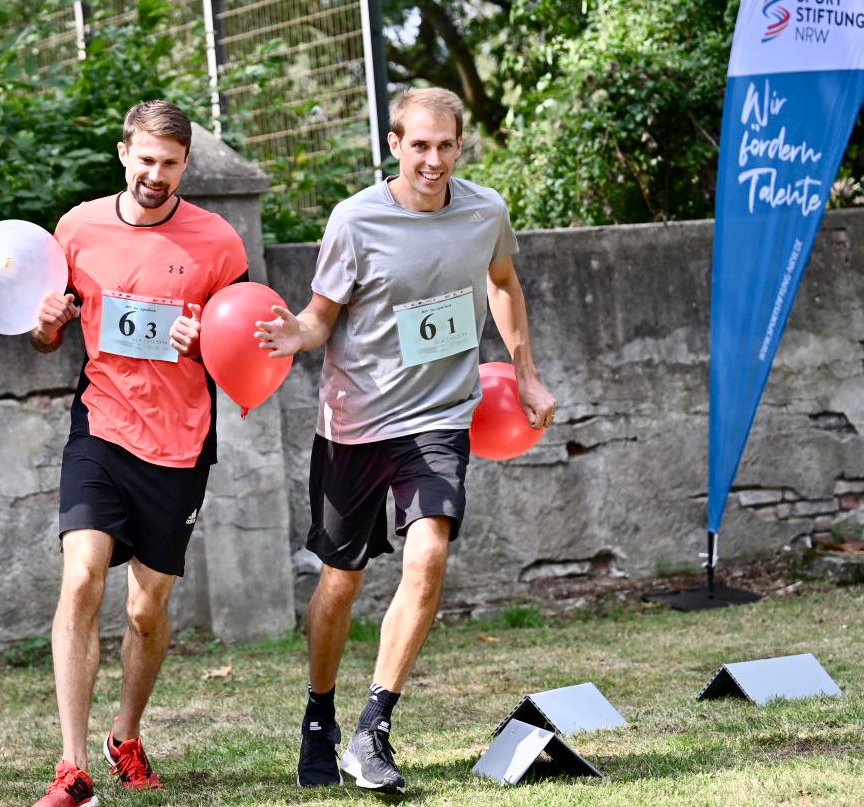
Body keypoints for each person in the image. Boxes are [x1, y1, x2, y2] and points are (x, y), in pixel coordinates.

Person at [257, 87, 557, 794]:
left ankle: (374, 726)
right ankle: (320, 715)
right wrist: (289, 335)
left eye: (444, 146)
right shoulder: (355, 220)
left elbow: (504, 281)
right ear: (394, 145)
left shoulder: (485, 211)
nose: (432, 159)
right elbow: (320, 317)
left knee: (430, 551)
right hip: (355, 424)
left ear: (460, 146)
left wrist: (527, 373)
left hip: (440, 416)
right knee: (340, 582)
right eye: (418, 145)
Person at [28, 100, 249, 807]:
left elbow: (240, 346)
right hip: (100, 425)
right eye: (145, 159)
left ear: (186, 165)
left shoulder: (218, 242)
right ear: (124, 152)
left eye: (171, 163)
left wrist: (207, 345)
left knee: (147, 610)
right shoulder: (78, 228)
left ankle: (125, 734)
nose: (156, 174)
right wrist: (44, 325)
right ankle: (70, 764)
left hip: (179, 443)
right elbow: (47, 334)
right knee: (81, 578)